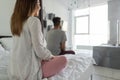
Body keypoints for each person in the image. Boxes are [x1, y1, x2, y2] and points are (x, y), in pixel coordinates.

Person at [9, 0, 67, 80]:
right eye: (38, 3)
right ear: (30, 4)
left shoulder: (16, 24)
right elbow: (39, 50)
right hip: (28, 72)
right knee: (64, 59)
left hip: (14, 69)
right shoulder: (33, 21)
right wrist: (51, 57)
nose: (39, 7)